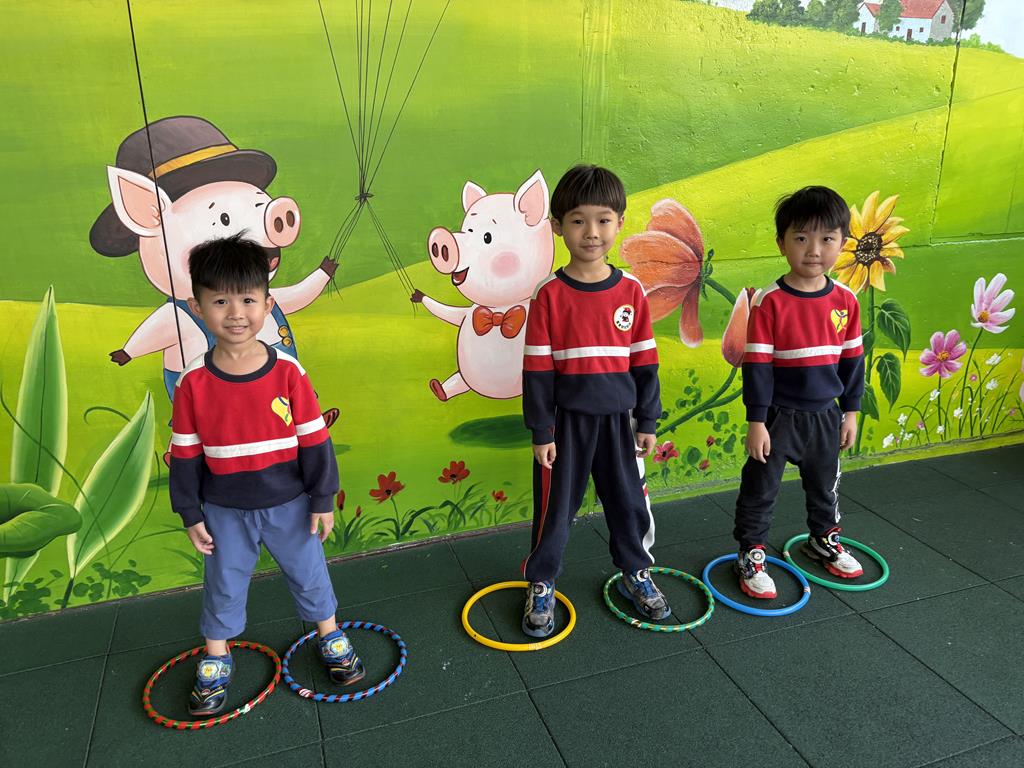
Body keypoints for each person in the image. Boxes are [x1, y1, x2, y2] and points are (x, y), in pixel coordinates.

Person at [168, 234, 362, 716]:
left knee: (309, 572)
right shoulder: (193, 382)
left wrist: (322, 498)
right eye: (220, 301)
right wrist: (190, 511)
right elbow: (185, 452)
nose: (236, 313)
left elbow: (315, 439)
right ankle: (217, 656)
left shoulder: (289, 372)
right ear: (197, 307)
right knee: (223, 583)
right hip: (224, 511)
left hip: (290, 504)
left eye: (248, 300)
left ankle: (330, 634)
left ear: (268, 304)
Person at [520, 164, 668, 638]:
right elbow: (537, 371)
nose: (591, 232)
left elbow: (645, 362)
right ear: (557, 226)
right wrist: (541, 430)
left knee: (628, 504)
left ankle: (636, 572)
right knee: (555, 510)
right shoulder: (549, 295)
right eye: (578, 220)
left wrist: (647, 420)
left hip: (619, 424)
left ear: (619, 223)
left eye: (603, 220)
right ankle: (542, 581)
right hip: (566, 426)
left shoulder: (631, 291)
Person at [735, 186, 865, 599]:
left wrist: (850, 412)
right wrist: (757, 421)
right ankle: (751, 552)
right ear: (782, 243)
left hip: (826, 416)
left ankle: (823, 539)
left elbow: (852, 361)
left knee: (824, 487)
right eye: (802, 238)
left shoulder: (846, 300)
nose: (814, 250)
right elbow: (758, 367)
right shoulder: (769, 302)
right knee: (761, 489)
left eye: (827, 238)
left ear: (843, 243)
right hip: (779, 417)